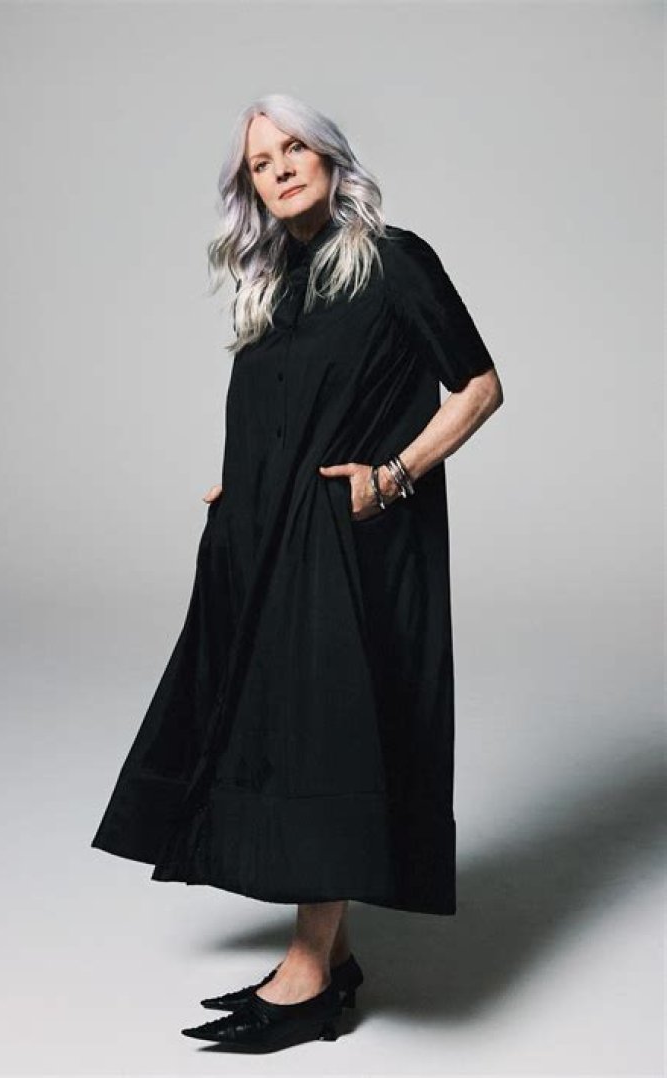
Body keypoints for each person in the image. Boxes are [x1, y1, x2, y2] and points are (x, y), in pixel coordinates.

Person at [91, 92, 504, 1051]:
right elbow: (284, 410)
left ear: (328, 157)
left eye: (293, 148)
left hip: (350, 542)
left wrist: (391, 478)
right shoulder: (274, 280)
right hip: (266, 535)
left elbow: (480, 386)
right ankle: (333, 955)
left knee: (325, 739)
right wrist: (244, 488)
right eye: (259, 160)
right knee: (278, 725)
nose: (278, 167)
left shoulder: (396, 260)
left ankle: (309, 971)